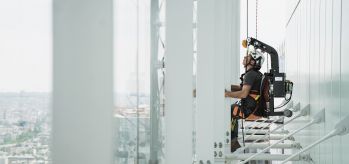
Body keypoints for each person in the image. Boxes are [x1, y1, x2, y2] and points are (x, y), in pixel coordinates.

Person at [225, 46, 265, 152]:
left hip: (249, 110)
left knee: (228, 110)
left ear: (252, 61)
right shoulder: (255, 74)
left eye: (247, 56)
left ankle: (232, 141)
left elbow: (243, 93)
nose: (244, 57)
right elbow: (243, 88)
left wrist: (226, 94)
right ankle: (233, 141)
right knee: (234, 110)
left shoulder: (250, 75)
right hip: (254, 108)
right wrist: (229, 87)